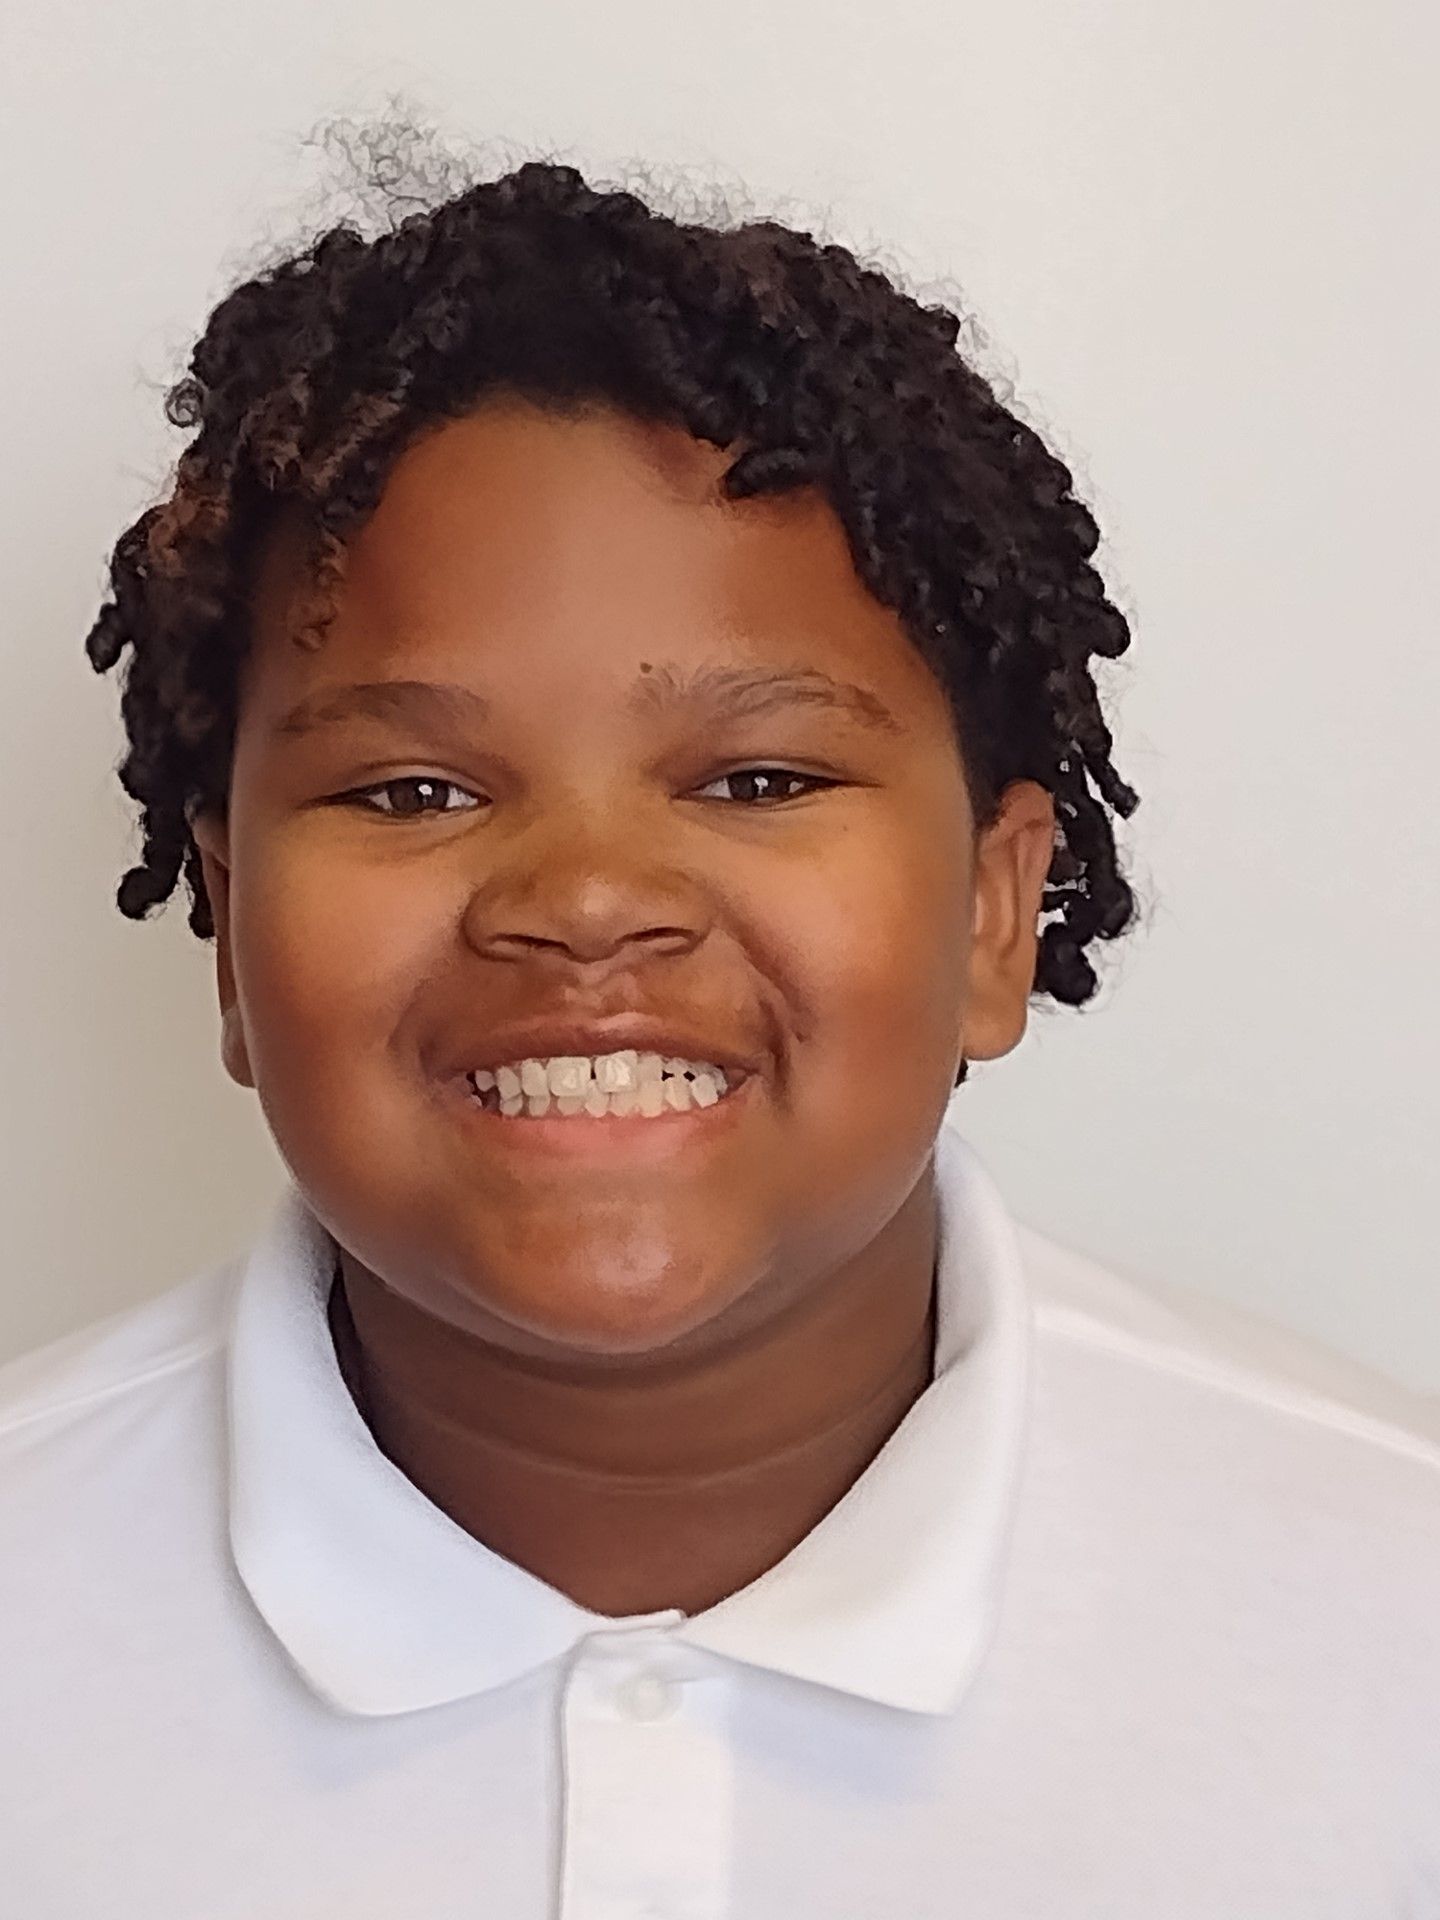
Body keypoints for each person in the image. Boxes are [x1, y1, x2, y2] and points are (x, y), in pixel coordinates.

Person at [3, 139, 1438, 1917]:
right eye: (411, 789)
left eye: (760, 777)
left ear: (995, 909)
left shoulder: (1396, 1620)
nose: (589, 898)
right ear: (226, 930)